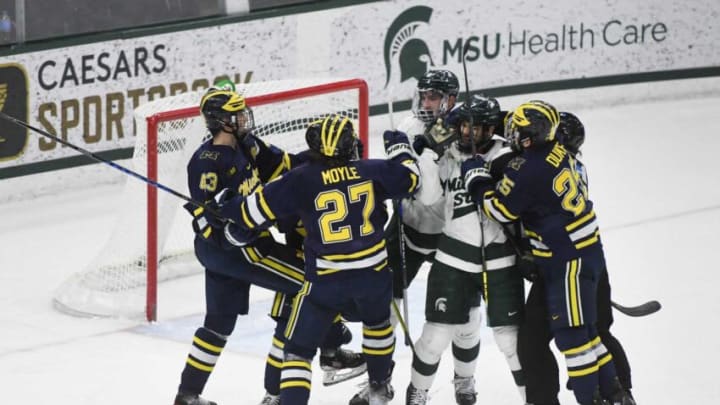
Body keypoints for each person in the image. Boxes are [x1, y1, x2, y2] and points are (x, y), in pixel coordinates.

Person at [205, 114, 421, 405]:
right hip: (373, 276)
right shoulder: (373, 170)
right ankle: (379, 390)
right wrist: (401, 150)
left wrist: (225, 205)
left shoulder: (300, 178)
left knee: (297, 350)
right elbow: (412, 179)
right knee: (378, 326)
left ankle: (281, 393)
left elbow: (249, 214)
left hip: (325, 282)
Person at [174, 90, 364, 405]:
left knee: (218, 325)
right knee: (312, 280)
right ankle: (318, 361)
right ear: (221, 122)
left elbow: (284, 165)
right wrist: (233, 231)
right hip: (233, 251)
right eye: (238, 115)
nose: (245, 118)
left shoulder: (246, 144)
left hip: (237, 249)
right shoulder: (207, 164)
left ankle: (188, 395)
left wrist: (325, 158)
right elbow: (207, 223)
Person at [461, 100, 635, 405]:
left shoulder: (529, 169)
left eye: (517, 130)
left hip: (566, 261)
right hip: (583, 254)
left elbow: (498, 209)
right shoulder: (559, 152)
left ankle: (596, 398)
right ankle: (616, 395)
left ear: (530, 136)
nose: (511, 134)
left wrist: (477, 180)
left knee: (574, 338)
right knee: (586, 335)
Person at [405, 94, 526, 405]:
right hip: (453, 259)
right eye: (462, 127)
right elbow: (430, 198)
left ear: (490, 129)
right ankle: (418, 393)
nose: (466, 134)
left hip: (500, 261)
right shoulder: (447, 155)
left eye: (475, 129)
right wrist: (425, 156)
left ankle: (529, 396)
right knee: (435, 337)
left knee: (511, 341)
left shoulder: (508, 157)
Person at [517, 112, 633, 405]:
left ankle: (618, 393)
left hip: (568, 265)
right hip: (572, 262)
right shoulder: (566, 164)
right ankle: (615, 394)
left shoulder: (547, 169)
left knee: (586, 334)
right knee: (543, 339)